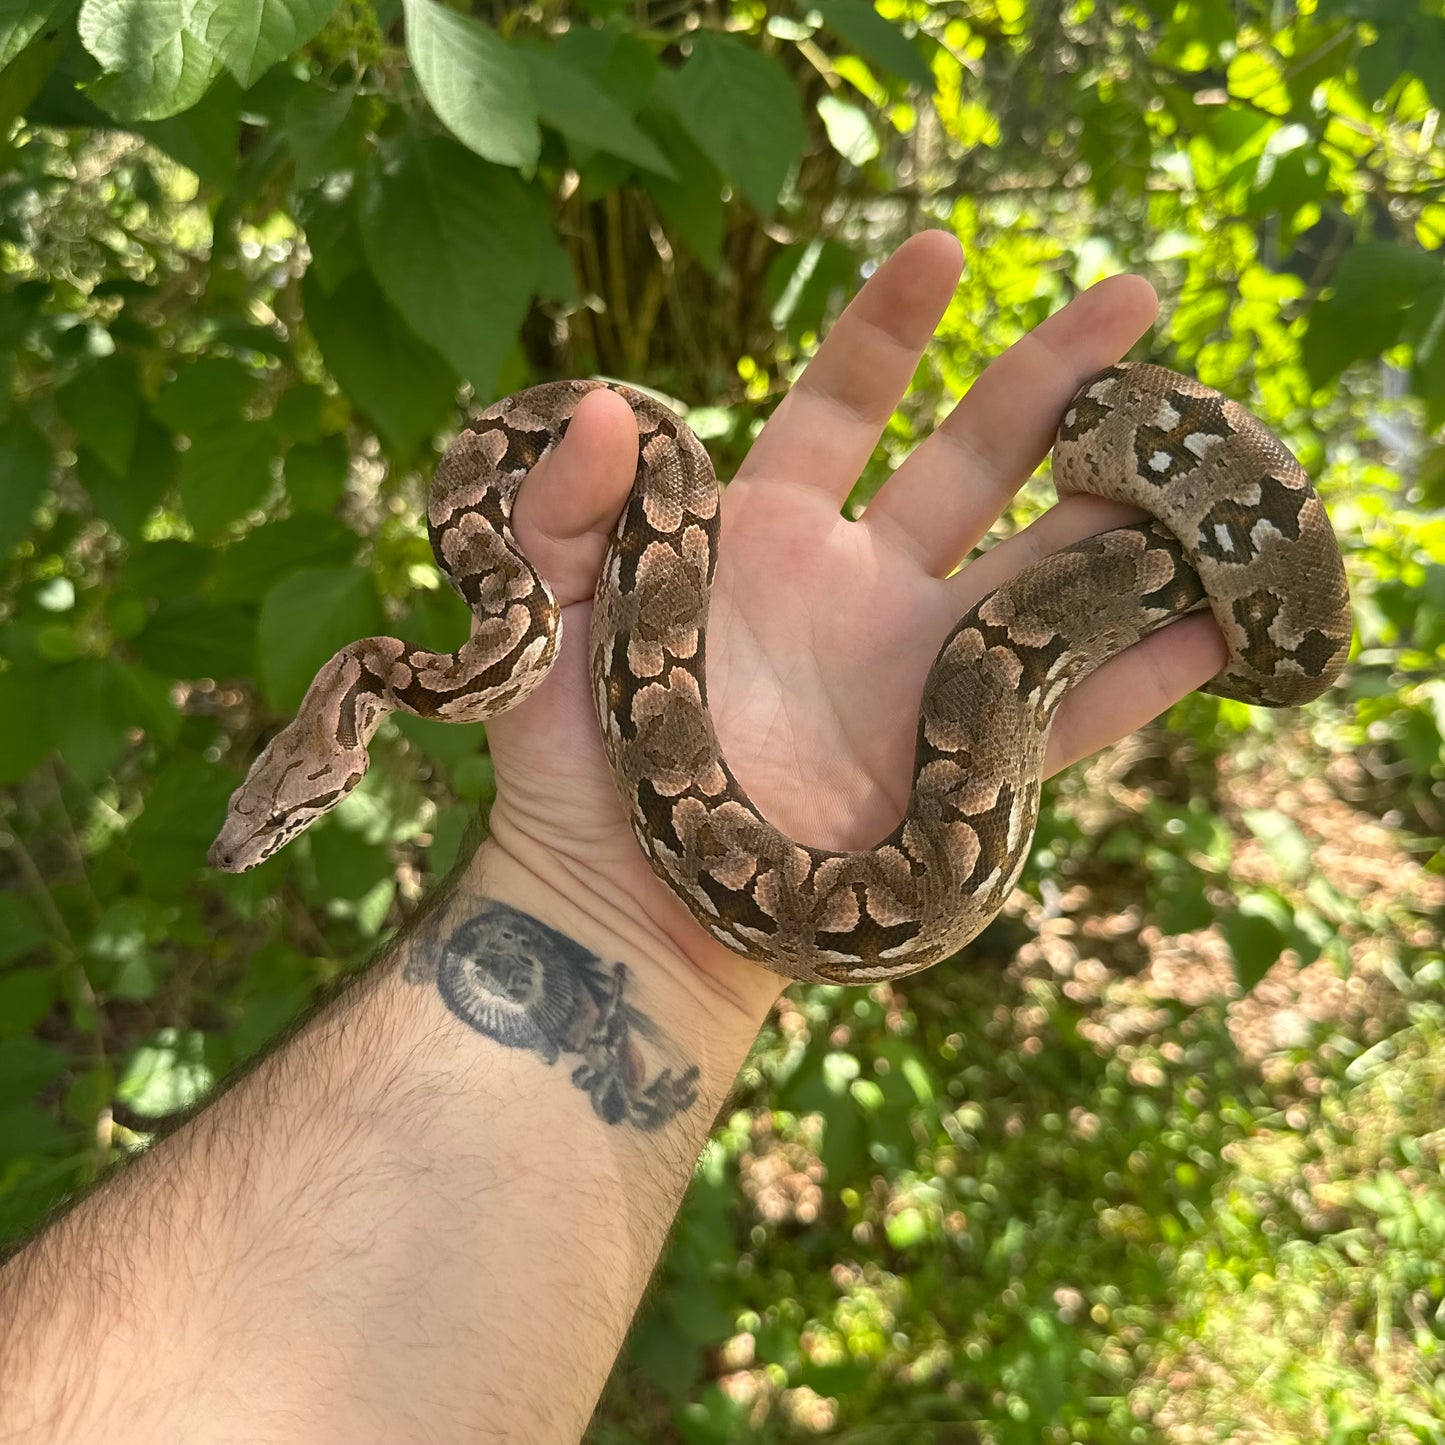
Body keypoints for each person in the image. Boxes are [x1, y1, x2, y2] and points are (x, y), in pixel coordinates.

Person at [0, 232, 1225, 1443]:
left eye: (280, 808)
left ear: (333, 753)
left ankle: (1232, 574)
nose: (258, 830)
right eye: (274, 811)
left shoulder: (460, 643)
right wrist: (595, 897)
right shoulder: (480, 644)